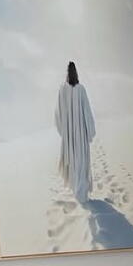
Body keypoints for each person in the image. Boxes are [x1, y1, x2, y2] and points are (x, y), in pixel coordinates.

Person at [54, 61, 96, 203]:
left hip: (70, 136)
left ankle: (78, 192)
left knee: (73, 161)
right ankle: (81, 193)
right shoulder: (81, 89)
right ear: (76, 73)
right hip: (80, 136)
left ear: (67, 73)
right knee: (81, 161)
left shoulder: (62, 90)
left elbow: (58, 114)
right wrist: (90, 131)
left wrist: (64, 132)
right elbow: (87, 113)